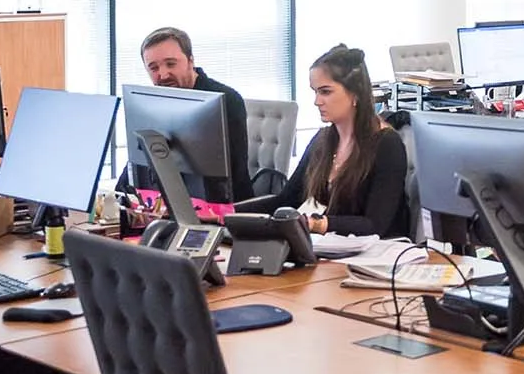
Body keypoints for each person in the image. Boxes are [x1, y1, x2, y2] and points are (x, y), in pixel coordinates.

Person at [268, 45, 408, 238]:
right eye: (315, 92)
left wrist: (315, 224)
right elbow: (284, 201)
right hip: (332, 250)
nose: (317, 101)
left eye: (325, 92)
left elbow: (375, 225)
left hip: (376, 256)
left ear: (355, 94)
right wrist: (222, 213)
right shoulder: (323, 140)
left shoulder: (387, 144)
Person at [137, 26, 251, 202]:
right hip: (171, 203)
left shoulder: (226, 100)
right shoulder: (154, 104)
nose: (163, 74)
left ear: (191, 61)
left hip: (225, 209)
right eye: (153, 68)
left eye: (171, 64)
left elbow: (230, 174)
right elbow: (140, 160)